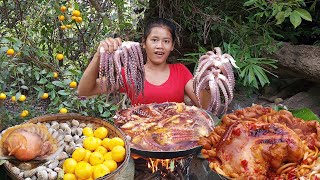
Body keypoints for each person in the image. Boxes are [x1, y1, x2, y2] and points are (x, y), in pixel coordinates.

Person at [78, 18, 200, 106]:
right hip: (139, 138)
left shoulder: (180, 71)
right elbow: (84, 91)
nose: (160, 46)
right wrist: (98, 55)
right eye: (154, 40)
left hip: (177, 139)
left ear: (172, 46)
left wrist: (209, 80)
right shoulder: (131, 74)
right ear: (144, 43)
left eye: (166, 41)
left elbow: (204, 105)